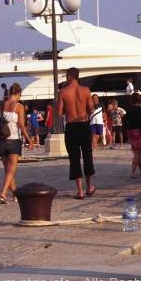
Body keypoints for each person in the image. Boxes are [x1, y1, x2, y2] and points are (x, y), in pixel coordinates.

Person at [57, 67, 96, 199]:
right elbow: (91, 109)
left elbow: (59, 112)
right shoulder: (86, 90)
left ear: (69, 77)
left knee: (74, 158)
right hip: (84, 125)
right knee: (87, 156)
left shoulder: (63, 92)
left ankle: (79, 191)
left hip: (71, 126)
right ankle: (89, 187)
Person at [0, 83, 34, 203]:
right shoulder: (19, 106)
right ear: (18, 93)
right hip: (14, 140)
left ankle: (15, 194)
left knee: (7, 170)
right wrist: (29, 140)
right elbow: (22, 126)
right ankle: (3, 192)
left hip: (2, 140)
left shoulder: (2, 105)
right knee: (11, 169)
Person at [125, 93, 141, 178]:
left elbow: (126, 120)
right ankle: (133, 172)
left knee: (137, 152)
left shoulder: (128, 109)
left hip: (131, 132)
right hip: (139, 131)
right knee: (137, 154)